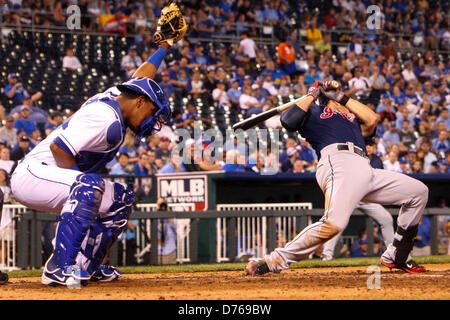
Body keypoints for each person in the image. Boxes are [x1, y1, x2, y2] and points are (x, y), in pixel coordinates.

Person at [9, 6, 183, 286]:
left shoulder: (120, 98)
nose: (152, 121)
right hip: (33, 175)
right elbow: (59, 150)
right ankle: (59, 265)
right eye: (152, 113)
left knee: (121, 198)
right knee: (90, 186)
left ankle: (88, 266)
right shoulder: (105, 118)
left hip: (57, 178)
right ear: (139, 102)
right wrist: (80, 193)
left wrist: (164, 46)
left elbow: (142, 77)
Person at [246, 80, 428, 277]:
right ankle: (275, 260)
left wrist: (341, 97)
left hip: (364, 166)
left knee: (418, 192)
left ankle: (397, 255)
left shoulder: (352, 119)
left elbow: (373, 118)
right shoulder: (313, 111)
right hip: (338, 162)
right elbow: (288, 121)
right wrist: (312, 94)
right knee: (334, 223)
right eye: (336, 95)